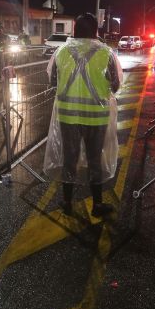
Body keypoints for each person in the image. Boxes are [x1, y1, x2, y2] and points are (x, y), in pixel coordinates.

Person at [44, 13, 123, 218]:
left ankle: (68, 203)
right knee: (95, 160)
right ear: (95, 31)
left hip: (67, 116)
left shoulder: (61, 52)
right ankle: (97, 204)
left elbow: (53, 82)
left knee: (69, 159)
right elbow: (115, 85)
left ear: (75, 30)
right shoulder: (106, 53)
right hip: (97, 117)